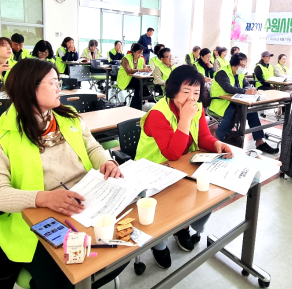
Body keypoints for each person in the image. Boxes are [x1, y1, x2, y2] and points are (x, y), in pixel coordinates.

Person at [0, 58, 126, 289]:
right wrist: (44, 198)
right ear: (29, 87)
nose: (60, 88)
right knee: (66, 276)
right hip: (36, 219)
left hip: (84, 202)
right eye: (53, 83)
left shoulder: (67, 117)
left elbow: (93, 147)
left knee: (120, 250)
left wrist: (106, 162)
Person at [135, 65, 233, 268]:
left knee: (203, 195)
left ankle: (183, 227)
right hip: (153, 173)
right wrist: (186, 118)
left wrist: (216, 144)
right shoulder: (157, 114)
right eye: (186, 91)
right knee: (163, 205)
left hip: (182, 169)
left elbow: (203, 135)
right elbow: (172, 154)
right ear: (173, 90)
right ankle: (158, 244)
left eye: (196, 93)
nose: (192, 98)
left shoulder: (195, 109)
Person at [210, 53, 278, 154]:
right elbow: (227, 88)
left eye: (244, 65)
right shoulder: (222, 73)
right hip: (220, 102)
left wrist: (251, 89)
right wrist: (245, 91)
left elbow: (246, 84)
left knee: (252, 111)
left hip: (235, 101)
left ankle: (259, 142)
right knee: (232, 111)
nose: (243, 68)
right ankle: (215, 141)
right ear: (234, 65)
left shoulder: (240, 74)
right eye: (241, 65)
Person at [117, 43, 152, 109]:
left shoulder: (141, 59)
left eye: (141, 53)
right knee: (139, 84)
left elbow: (144, 67)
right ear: (133, 51)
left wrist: (147, 70)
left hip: (135, 80)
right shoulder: (126, 58)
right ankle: (149, 98)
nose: (140, 55)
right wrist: (141, 70)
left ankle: (135, 105)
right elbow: (128, 71)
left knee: (140, 83)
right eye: (138, 53)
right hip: (125, 80)